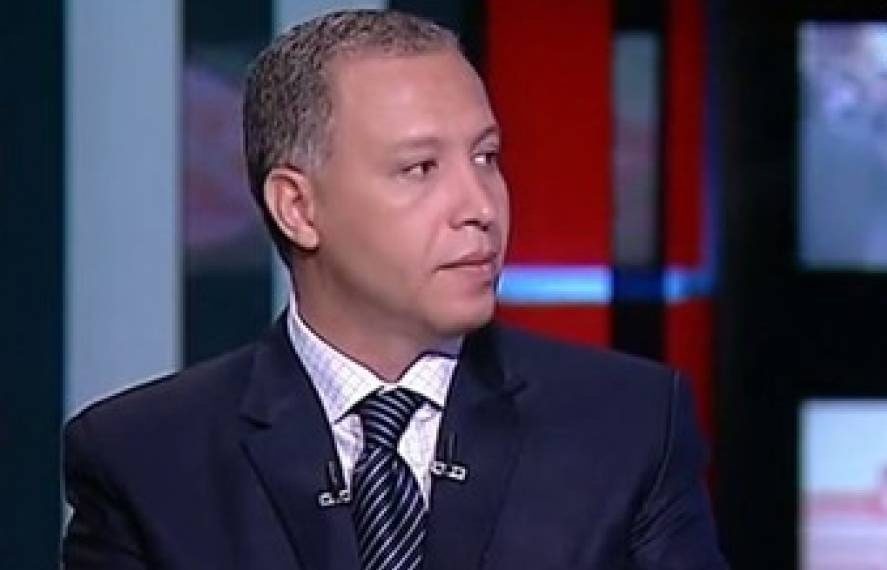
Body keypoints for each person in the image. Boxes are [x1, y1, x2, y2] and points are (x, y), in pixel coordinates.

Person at [62, 9, 728, 570]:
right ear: (298, 208)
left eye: (486, 157)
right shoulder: (145, 460)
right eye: (420, 168)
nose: (480, 206)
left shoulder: (629, 427)